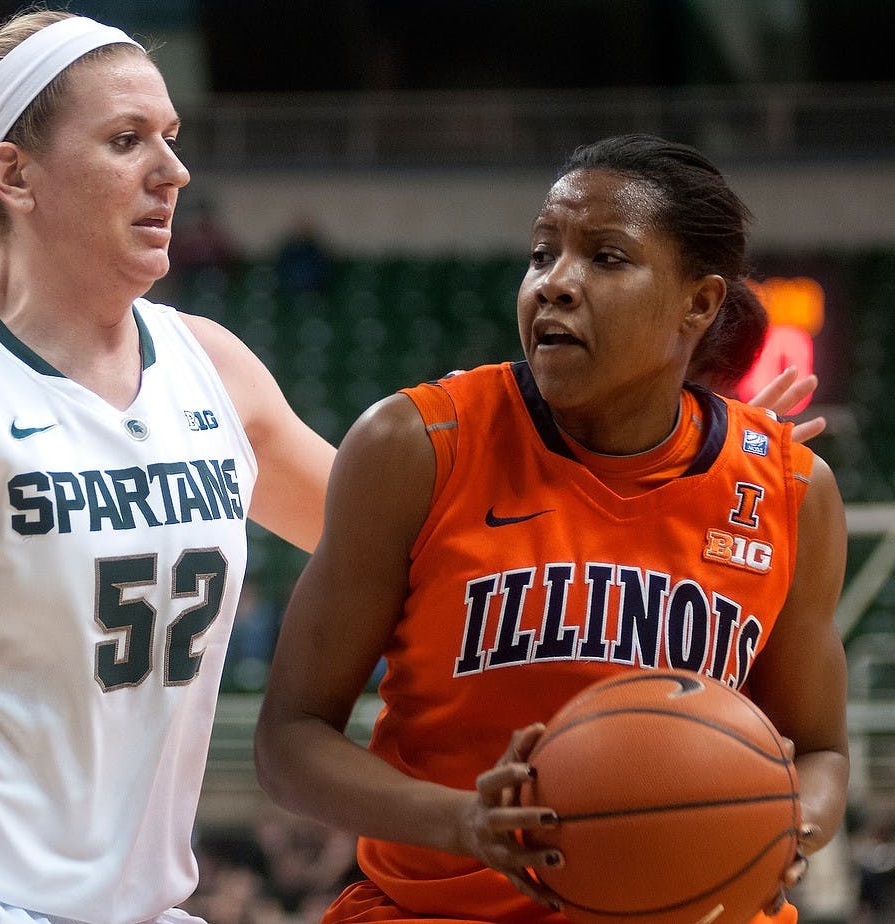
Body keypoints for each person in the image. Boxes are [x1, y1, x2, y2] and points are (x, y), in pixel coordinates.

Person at [254, 134, 849, 924]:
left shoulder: (789, 490)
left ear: (698, 304)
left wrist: (783, 828)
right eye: (542, 254)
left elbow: (821, 751)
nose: (555, 285)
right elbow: (288, 741)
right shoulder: (416, 445)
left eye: (606, 258)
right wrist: (463, 823)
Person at [0, 10, 334, 924]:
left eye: (171, 140)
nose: (172, 172)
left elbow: (394, 551)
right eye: (127, 140)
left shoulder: (213, 366)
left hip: (137, 907)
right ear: (14, 174)